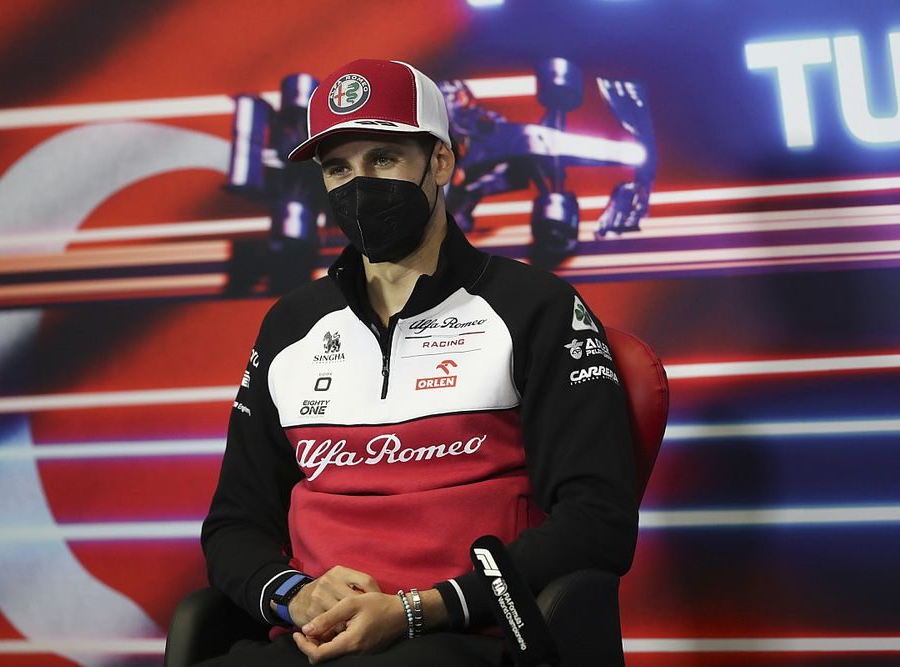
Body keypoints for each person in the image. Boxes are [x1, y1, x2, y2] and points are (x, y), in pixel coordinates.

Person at [199, 58, 638, 666]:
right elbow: (234, 523)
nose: (358, 186)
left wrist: (418, 609)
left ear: (441, 161)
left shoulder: (534, 307)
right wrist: (295, 595)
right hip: (314, 644)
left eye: (382, 159)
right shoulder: (291, 326)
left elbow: (597, 519)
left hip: (464, 640)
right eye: (337, 168)